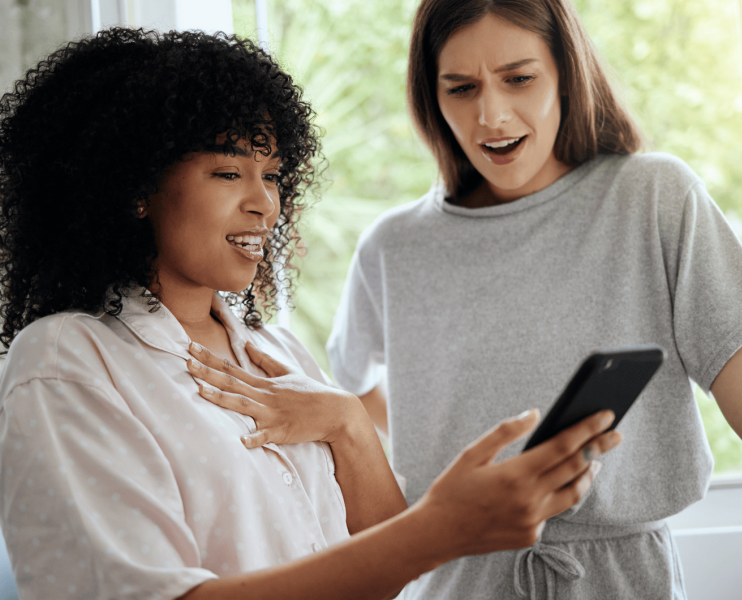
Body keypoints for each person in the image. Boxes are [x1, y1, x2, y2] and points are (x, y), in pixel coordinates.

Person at [0, 27, 622, 600]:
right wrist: (439, 528)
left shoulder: (278, 354)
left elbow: (388, 568)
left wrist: (349, 423)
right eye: (228, 172)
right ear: (136, 188)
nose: (263, 204)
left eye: (272, 176)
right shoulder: (66, 360)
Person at [326, 0, 742, 598]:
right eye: (461, 87)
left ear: (565, 75)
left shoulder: (653, 198)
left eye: (519, 78)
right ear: (432, 98)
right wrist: (456, 468)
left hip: (621, 580)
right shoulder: (393, 247)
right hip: (453, 582)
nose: (491, 115)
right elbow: (352, 390)